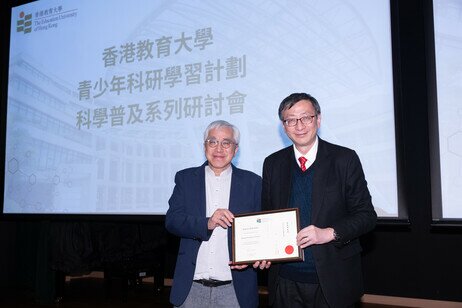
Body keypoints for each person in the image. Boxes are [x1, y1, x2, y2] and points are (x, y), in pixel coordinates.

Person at [261, 93, 377, 308]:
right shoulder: (272, 163)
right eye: (291, 120)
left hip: (333, 280)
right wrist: (263, 250)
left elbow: (367, 216)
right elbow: (267, 215)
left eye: (306, 117)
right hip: (284, 281)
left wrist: (329, 233)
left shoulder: (344, 159)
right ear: (283, 126)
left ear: (318, 119)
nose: (299, 125)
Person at [165, 120, 263, 308]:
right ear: (204, 147)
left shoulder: (252, 183)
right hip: (191, 288)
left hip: (235, 290)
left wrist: (252, 258)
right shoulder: (186, 179)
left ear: (235, 149)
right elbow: (172, 221)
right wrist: (207, 223)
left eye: (226, 143)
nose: (219, 148)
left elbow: (261, 229)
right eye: (213, 142)